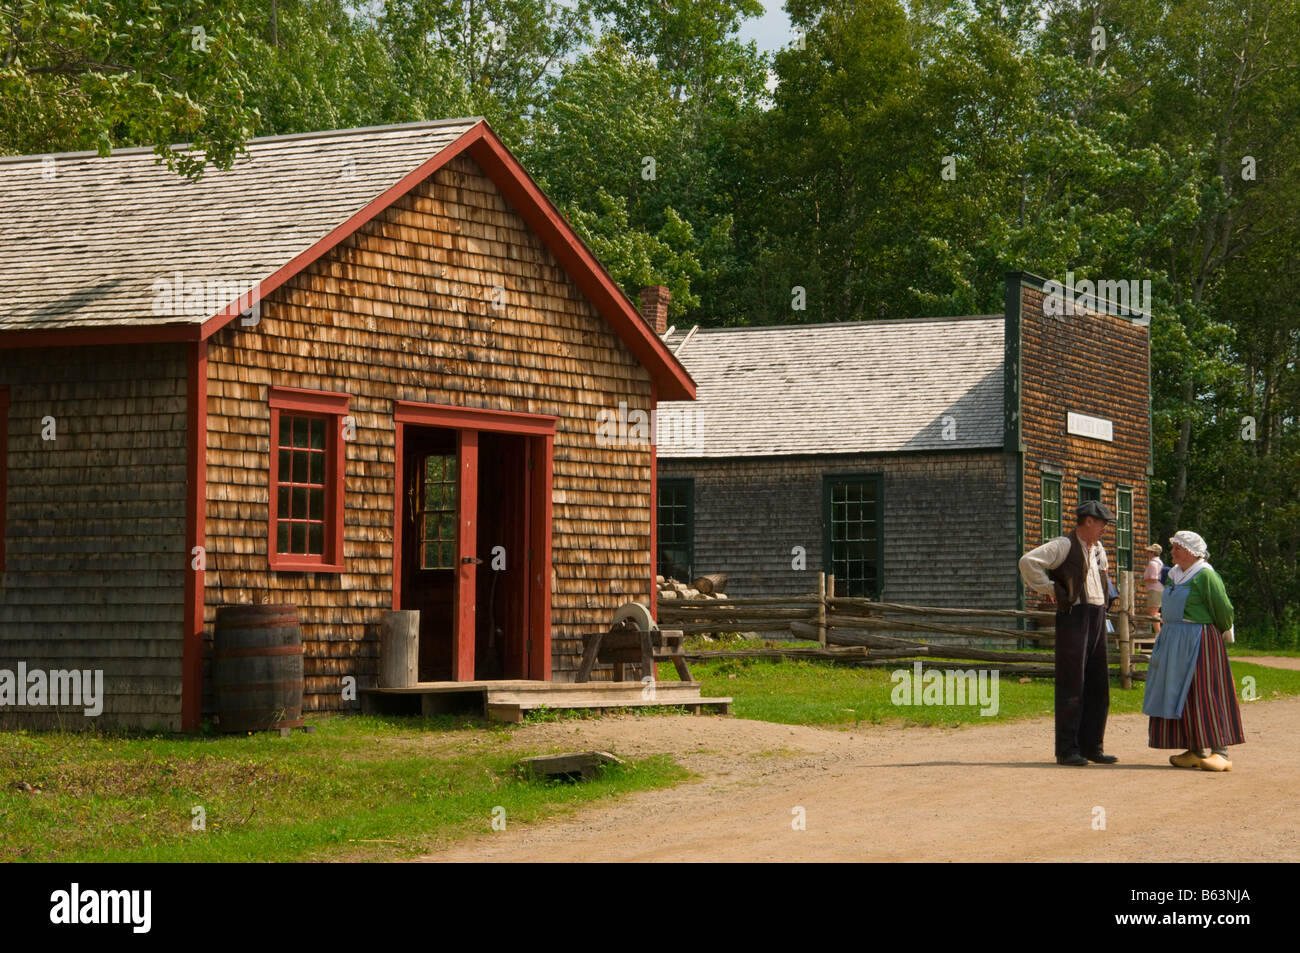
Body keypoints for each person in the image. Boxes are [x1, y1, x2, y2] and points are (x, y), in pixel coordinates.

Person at [1019, 500, 1118, 766]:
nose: (1104, 529)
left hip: (1097, 615)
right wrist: (1051, 589)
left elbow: (1104, 580)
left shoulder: (1098, 549)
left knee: (1098, 684)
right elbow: (1028, 561)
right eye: (1102, 524)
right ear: (1088, 521)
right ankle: (1066, 749)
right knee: (1071, 683)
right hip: (1074, 616)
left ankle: (1091, 746)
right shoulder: (1063, 545)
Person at [1143, 531, 1244, 771]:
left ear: (1190, 551)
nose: (1172, 552)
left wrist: (1216, 635)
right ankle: (1194, 749)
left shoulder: (1205, 575)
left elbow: (1223, 610)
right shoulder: (1174, 575)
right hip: (1173, 638)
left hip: (1200, 639)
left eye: (1177, 547)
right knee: (1181, 693)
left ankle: (1221, 752)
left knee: (1205, 691)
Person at [1142, 543, 1164, 635]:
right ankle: (1160, 633)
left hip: (1154, 590)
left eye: (1149, 552)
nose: (1147, 553)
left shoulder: (1152, 563)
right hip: (1159, 589)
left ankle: (1159, 634)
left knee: (1153, 614)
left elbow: (1154, 578)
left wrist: (1143, 580)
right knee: (1156, 613)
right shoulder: (1160, 562)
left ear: (1152, 553)